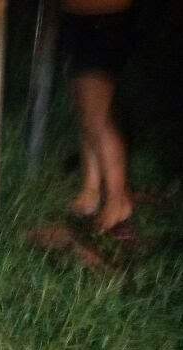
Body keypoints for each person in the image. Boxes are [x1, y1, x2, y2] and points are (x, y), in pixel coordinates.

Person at [61, 0, 135, 238]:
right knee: (85, 113)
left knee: (97, 118)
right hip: (79, 18)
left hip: (103, 20)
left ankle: (118, 201)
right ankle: (91, 190)